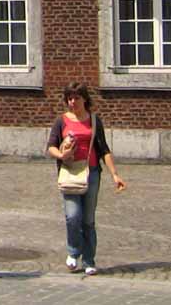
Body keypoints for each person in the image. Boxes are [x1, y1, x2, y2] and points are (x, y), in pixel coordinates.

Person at [45, 83, 125, 276]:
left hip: (91, 172)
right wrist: (61, 155)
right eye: (70, 98)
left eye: (77, 98)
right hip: (70, 172)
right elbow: (51, 146)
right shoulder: (61, 121)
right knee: (73, 216)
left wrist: (115, 174)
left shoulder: (94, 121)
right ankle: (73, 252)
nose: (73, 102)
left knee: (88, 219)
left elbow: (104, 150)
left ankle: (89, 260)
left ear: (85, 99)